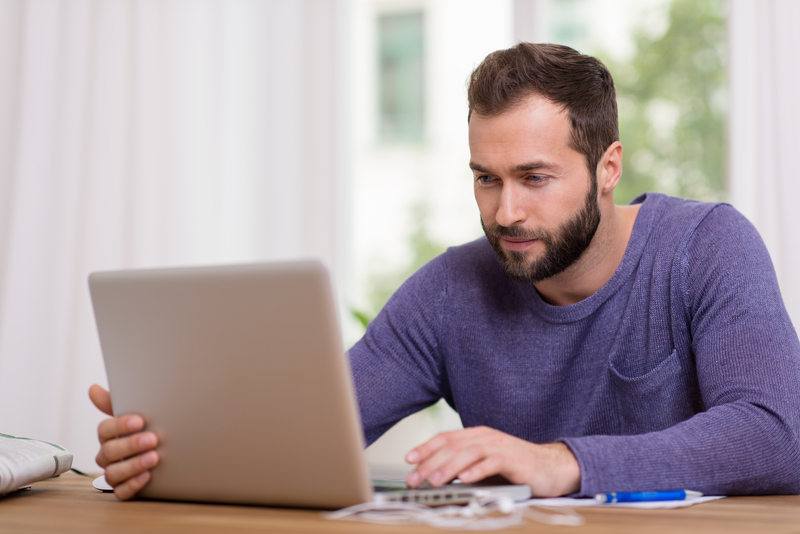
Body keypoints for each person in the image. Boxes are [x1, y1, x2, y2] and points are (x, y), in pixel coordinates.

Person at [90, 42, 800, 501]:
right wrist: (166, 449)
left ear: (607, 168)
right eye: (486, 179)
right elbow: (319, 427)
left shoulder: (707, 247)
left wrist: (563, 462)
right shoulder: (451, 290)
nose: (506, 211)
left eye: (534, 177)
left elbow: (777, 433)